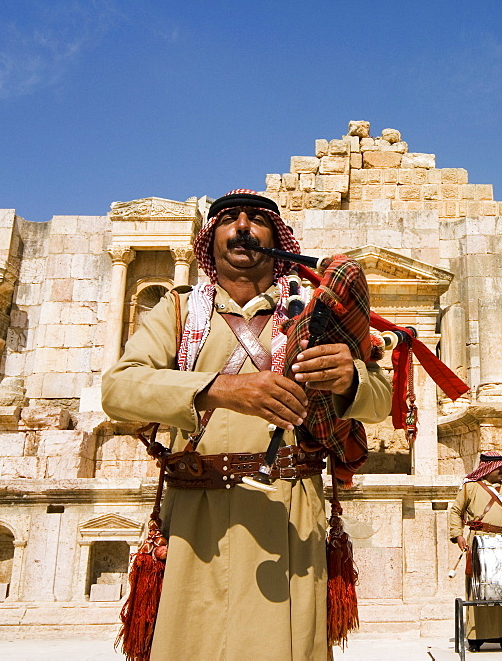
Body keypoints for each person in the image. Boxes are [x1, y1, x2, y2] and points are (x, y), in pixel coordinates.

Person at [102, 189, 392, 661]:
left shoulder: (314, 310)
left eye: (257, 219)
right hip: (196, 514)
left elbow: (380, 401)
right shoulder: (177, 311)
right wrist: (220, 390)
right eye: (228, 219)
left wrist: (348, 378)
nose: (242, 227)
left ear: (276, 239)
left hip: (290, 511)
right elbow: (118, 389)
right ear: (210, 238)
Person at [447, 451, 502, 652]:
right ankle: (476, 637)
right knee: (479, 587)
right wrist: (458, 535)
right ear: (488, 468)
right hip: (479, 542)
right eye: (499, 468)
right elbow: (456, 511)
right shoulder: (470, 487)